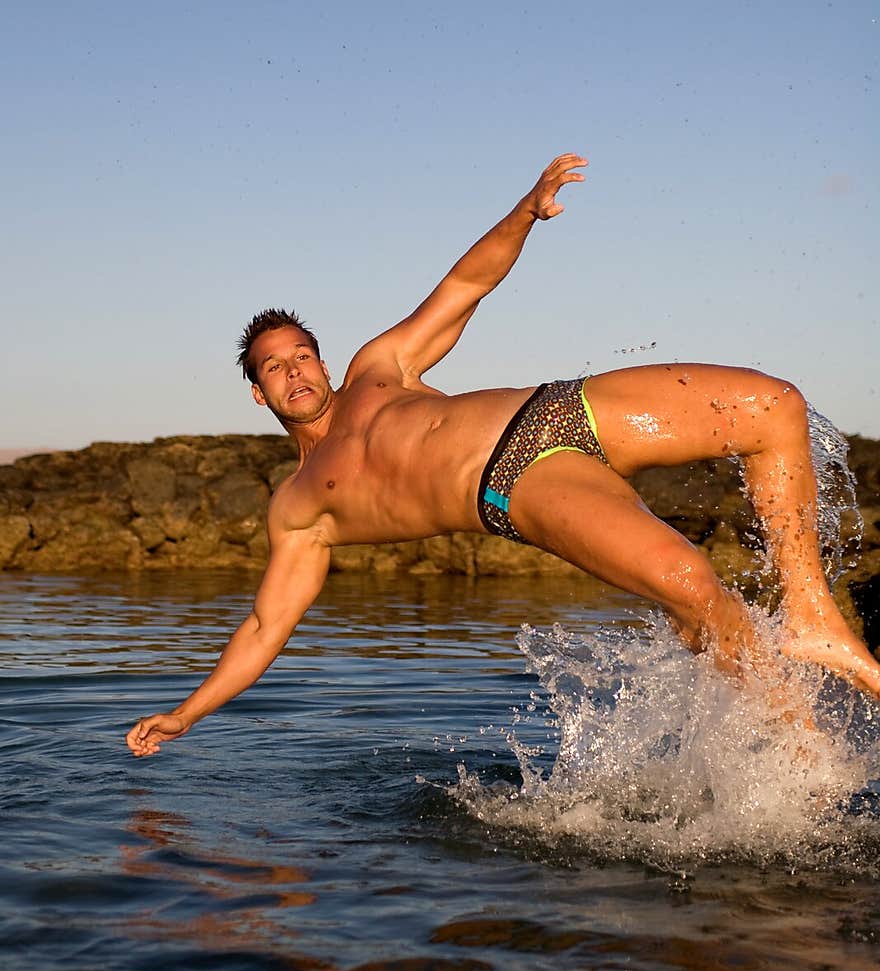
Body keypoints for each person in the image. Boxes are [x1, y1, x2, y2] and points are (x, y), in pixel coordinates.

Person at [126, 153, 880, 757]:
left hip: (556, 407)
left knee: (773, 405)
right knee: (691, 584)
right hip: (517, 484)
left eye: (303, 355)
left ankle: (812, 611)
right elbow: (264, 628)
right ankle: (799, 756)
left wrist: (526, 210)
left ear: (323, 363)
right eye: (274, 366)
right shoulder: (298, 509)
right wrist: (187, 714)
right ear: (260, 393)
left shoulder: (378, 367)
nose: (296, 371)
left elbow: (464, 286)